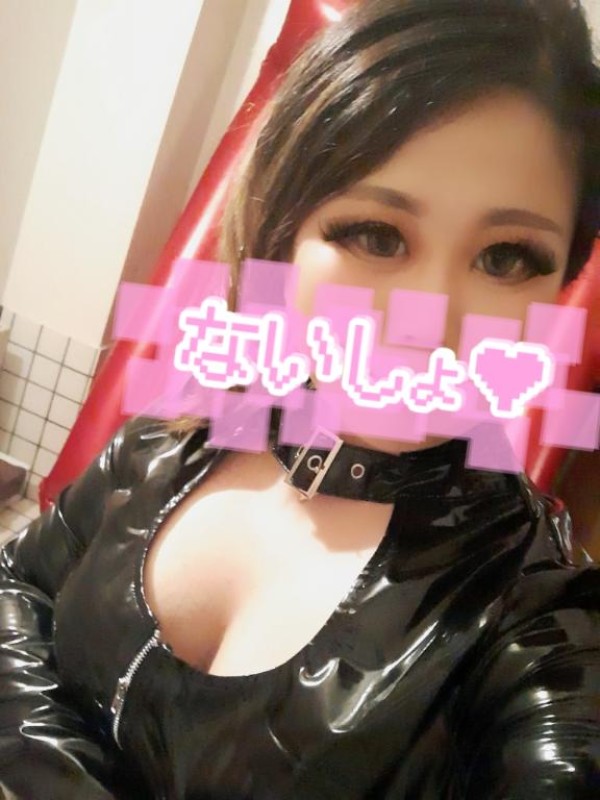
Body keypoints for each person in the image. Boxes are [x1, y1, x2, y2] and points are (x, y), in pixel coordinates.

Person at [0, 0, 598, 798]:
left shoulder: (530, 614)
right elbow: (18, 584)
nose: (431, 322)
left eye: (506, 257)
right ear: (281, 240)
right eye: (377, 236)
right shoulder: (177, 435)